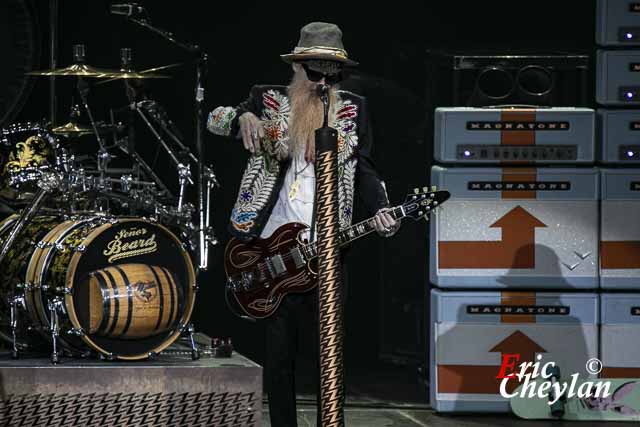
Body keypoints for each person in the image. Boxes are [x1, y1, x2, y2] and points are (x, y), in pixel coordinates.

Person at [207, 21, 400, 427]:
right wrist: (243, 118)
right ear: (297, 68)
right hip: (272, 247)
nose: (323, 82)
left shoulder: (352, 108)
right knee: (279, 355)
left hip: (326, 247)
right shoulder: (266, 98)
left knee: (330, 352)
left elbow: (365, 167)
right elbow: (215, 119)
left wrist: (382, 207)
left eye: (333, 73)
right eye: (315, 71)